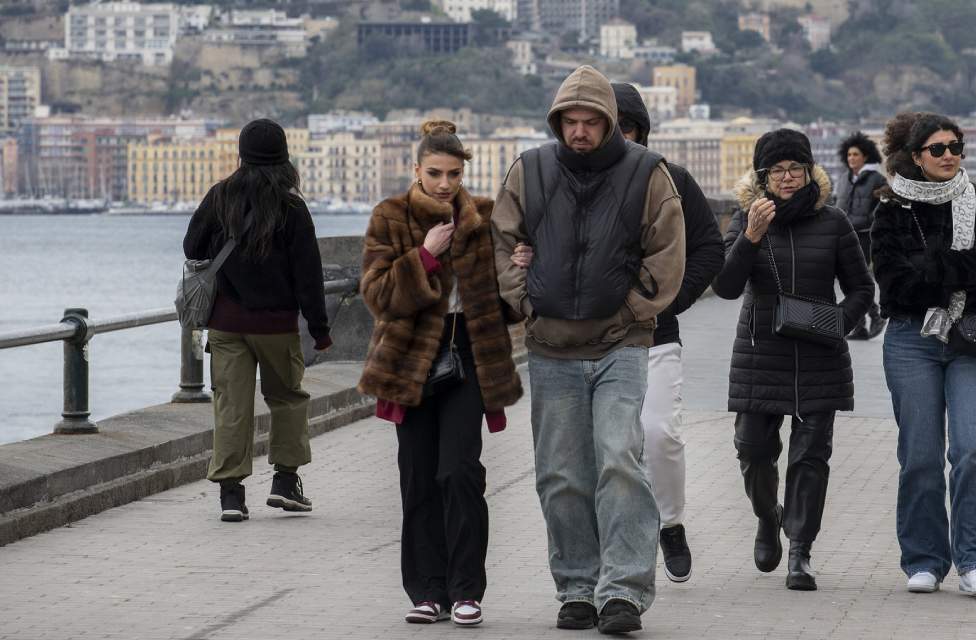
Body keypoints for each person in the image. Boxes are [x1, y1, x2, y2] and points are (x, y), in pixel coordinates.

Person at [491, 65, 686, 634]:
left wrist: (631, 310)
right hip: (550, 346)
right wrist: (525, 301)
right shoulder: (529, 170)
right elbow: (502, 240)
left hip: (621, 343)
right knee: (560, 472)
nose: (579, 131)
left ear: (609, 122)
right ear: (558, 122)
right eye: (570, 122)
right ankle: (577, 586)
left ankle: (623, 590)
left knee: (620, 459)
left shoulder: (647, 173)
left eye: (590, 121)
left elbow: (667, 250)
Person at [358, 121, 523, 627]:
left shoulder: (486, 219)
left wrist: (518, 271)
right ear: (416, 170)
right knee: (418, 478)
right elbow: (378, 295)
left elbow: (509, 311)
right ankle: (427, 591)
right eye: (434, 173)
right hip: (411, 364)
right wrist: (425, 255)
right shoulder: (390, 216)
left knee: (460, 471)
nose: (445, 183)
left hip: (468, 357)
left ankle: (467, 589)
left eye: (453, 173)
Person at [712, 128, 874, 591]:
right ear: (762, 177)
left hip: (819, 356)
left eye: (795, 169)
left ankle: (800, 551)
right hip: (760, 353)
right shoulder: (746, 218)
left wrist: (838, 322)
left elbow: (862, 288)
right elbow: (724, 287)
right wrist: (751, 237)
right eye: (777, 171)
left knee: (811, 457)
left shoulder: (834, 222)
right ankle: (768, 517)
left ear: (809, 171)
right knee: (752, 450)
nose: (787, 178)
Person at [869, 111, 976, 597]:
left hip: (973, 336)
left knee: (973, 450)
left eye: (955, 146)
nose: (949, 154)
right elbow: (893, 281)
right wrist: (962, 265)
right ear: (915, 155)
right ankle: (925, 558)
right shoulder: (890, 208)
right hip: (912, 339)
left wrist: (931, 265)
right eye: (938, 148)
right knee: (921, 456)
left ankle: (975, 561)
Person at [182, 118, 331, 523]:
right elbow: (308, 276)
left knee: (231, 407)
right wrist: (319, 330)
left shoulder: (220, 197)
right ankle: (284, 482)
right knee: (287, 399)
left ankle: (232, 495)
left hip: (227, 324)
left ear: (242, 156)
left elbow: (191, 245)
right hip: (276, 327)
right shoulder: (292, 207)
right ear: (284, 159)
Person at [612, 82, 724, 584]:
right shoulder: (567, 180)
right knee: (609, 449)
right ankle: (614, 547)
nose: (617, 137)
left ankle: (671, 522)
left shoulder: (672, 179)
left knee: (660, 434)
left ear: (641, 130)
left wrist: (671, 300)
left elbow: (709, 248)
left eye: (626, 127)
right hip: (590, 339)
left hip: (656, 335)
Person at [835, 131, 889, 340]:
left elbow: (884, 207)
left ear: (865, 156)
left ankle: (874, 316)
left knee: (857, 280)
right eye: (849, 155)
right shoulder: (843, 179)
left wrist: (869, 221)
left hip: (864, 236)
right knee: (849, 282)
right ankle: (861, 325)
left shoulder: (877, 179)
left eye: (855, 154)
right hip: (842, 235)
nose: (851, 158)